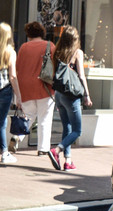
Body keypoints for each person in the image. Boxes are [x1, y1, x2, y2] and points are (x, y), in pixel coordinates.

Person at [47, 25, 92, 171]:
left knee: (67, 127)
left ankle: (68, 161)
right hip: (71, 95)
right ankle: (57, 150)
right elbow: (81, 75)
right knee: (77, 131)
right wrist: (87, 94)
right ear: (75, 39)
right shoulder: (77, 52)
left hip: (59, 94)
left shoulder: (57, 51)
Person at [16, 21, 56, 156]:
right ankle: (43, 149)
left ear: (28, 34)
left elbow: (18, 68)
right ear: (42, 32)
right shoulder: (50, 46)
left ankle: (17, 137)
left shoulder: (23, 47)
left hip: (25, 87)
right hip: (45, 87)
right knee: (45, 118)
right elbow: (55, 67)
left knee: (28, 116)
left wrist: (17, 94)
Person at [0, 22, 22, 164]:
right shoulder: (10, 52)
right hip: (5, 91)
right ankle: (4, 153)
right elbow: (13, 76)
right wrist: (18, 96)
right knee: (1, 123)